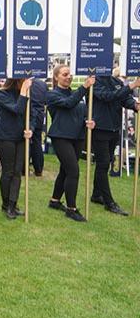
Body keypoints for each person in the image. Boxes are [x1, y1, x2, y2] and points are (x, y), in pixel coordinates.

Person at [46, 67, 96, 222]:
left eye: (70, 74)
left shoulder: (75, 93)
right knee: (73, 171)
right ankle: (71, 209)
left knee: (65, 170)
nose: (68, 77)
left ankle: (54, 201)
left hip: (78, 136)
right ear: (56, 77)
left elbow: (80, 110)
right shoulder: (53, 94)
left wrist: (88, 121)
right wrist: (84, 87)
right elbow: (68, 104)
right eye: (64, 74)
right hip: (61, 137)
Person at [91, 70, 140, 215]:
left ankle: (96, 194)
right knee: (103, 163)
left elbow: (124, 99)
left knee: (107, 162)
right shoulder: (95, 81)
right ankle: (109, 202)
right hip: (100, 128)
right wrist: (132, 85)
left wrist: (135, 105)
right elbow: (108, 96)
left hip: (114, 128)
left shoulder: (117, 82)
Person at [0, 78, 33, 220]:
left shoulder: (24, 94)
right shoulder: (1, 95)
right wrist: (24, 91)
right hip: (6, 137)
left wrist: (31, 129)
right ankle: (5, 204)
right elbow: (18, 109)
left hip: (20, 137)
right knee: (8, 172)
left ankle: (12, 204)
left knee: (17, 172)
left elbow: (31, 115)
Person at [29, 77, 48, 177]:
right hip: (40, 114)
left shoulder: (26, 82)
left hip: (29, 113)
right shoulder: (43, 84)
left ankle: (24, 167)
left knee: (26, 140)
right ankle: (38, 169)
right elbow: (46, 100)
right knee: (37, 141)